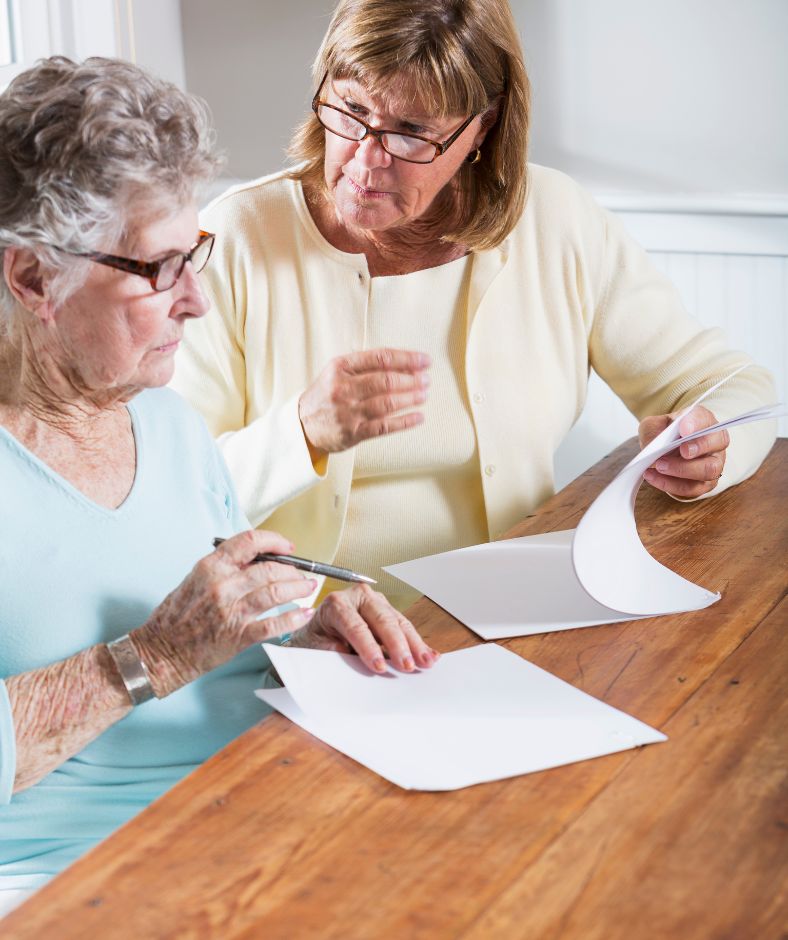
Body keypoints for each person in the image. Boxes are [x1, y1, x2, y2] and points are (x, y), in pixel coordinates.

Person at [0, 56, 438, 915]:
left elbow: (208, 627)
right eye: (159, 269)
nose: (196, 302)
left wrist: (303, 618)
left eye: (195, 255)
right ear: (31, 279)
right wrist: (150, 659)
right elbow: (170, 647)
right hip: (81, 882)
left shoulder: (168, 423)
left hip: (267, 813)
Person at [171, 0, 776, 611]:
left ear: (481, 128)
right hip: (311, 637)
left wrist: (709, 450)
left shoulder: (555, 220)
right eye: (352, 110)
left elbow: (731, 386)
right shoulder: (233, 239)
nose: (364, 159)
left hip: (519, 613)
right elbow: (173, 497)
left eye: (411, 132)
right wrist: (303, 432)